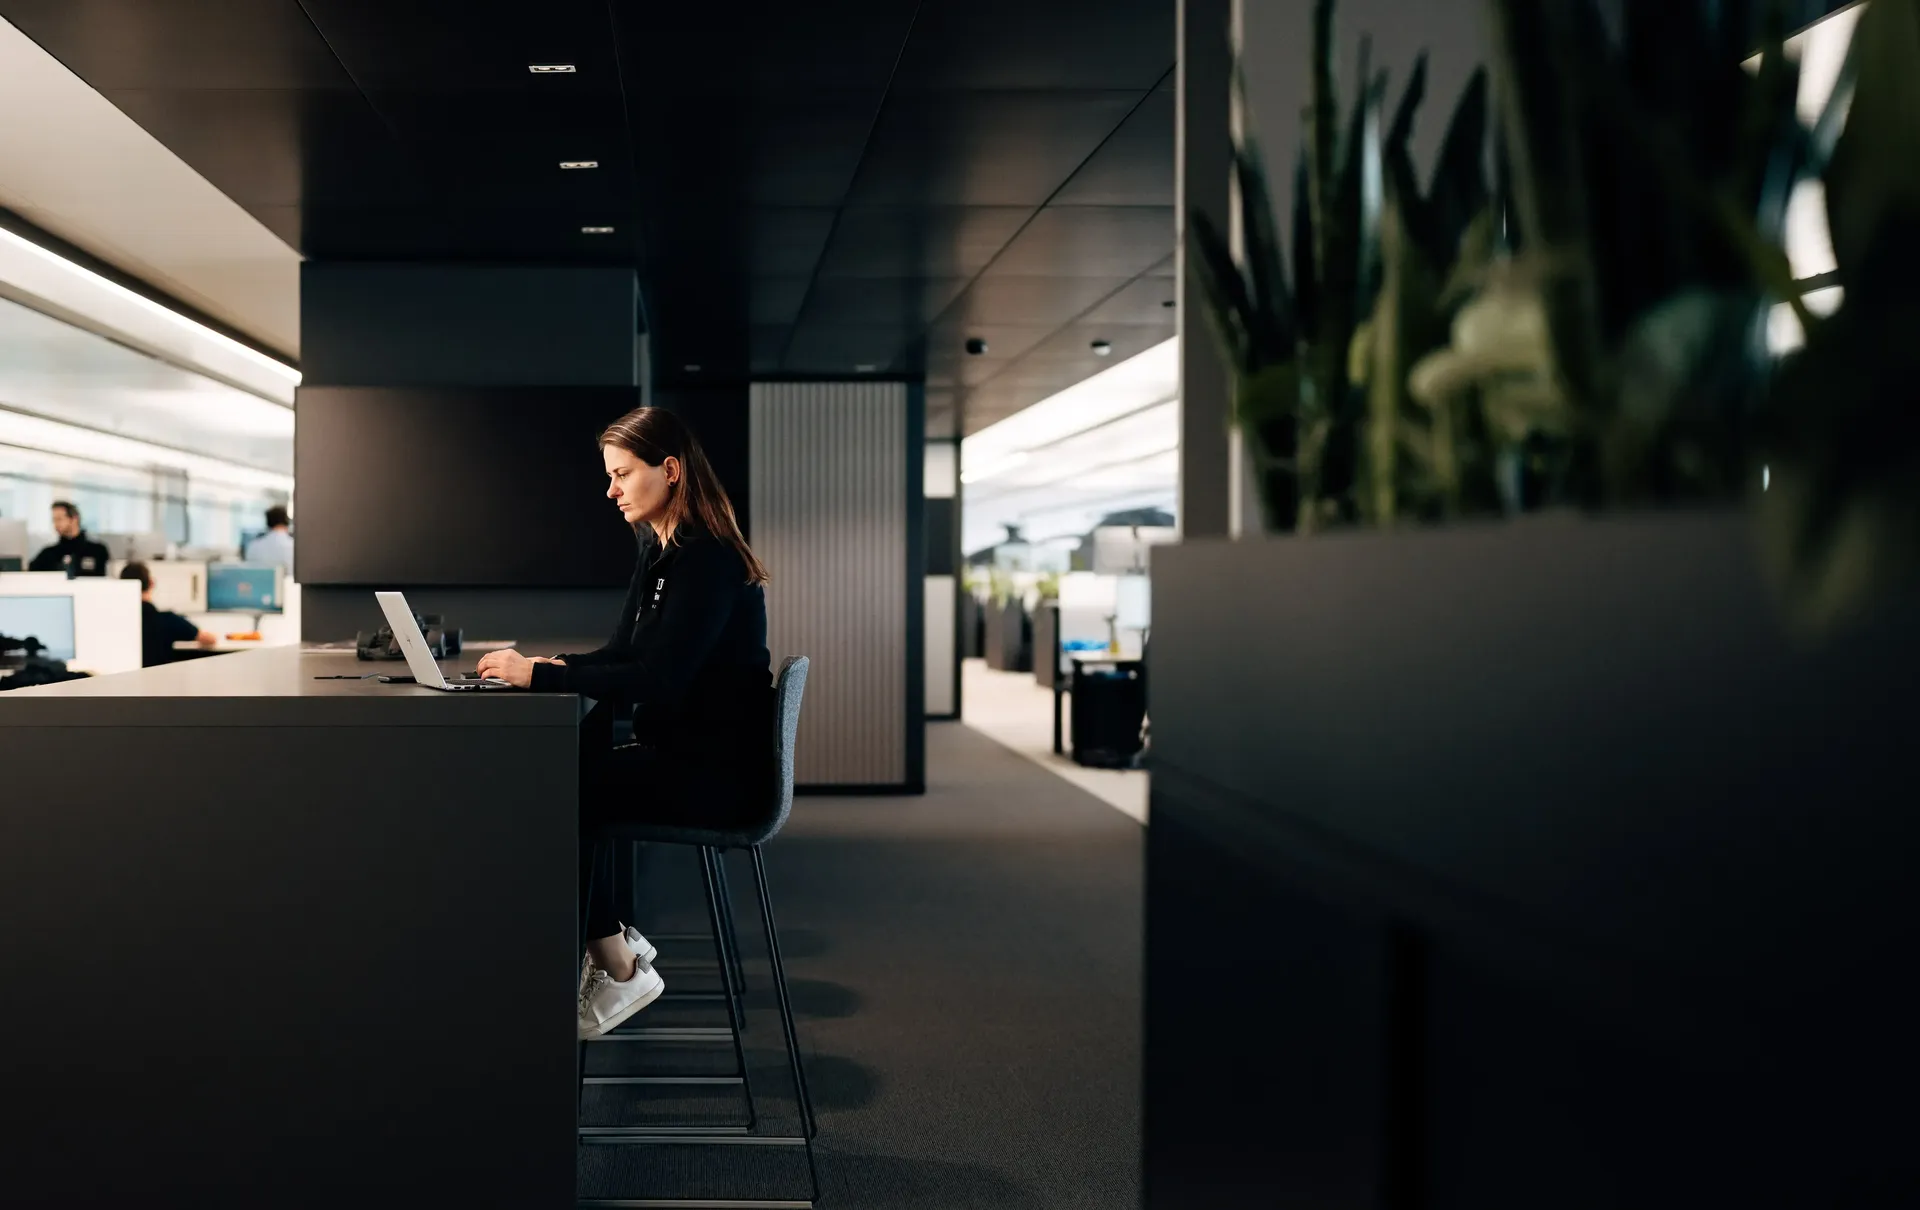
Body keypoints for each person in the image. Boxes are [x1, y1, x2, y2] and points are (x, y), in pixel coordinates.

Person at [476, 407, 774, 1041]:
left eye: (621, 474)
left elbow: (659, 676)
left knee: (561, 788)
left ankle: (616, 962)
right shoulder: (664, 552)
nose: (610, 489)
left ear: (669, 471)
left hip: (719, 776)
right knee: (574, 769)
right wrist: (552, 667)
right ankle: (610, 942)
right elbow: (626, 654)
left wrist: (547, 678)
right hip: (689, 754)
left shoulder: (706, 560)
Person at [122, 562, 217, 666]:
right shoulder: (168, 620)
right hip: (157, 680)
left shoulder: (118, 622)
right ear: (151, 583)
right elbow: (209, 639)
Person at [29, 501, 110, 576]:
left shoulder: (98, 551)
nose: (56, 524)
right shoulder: (48, 554)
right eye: (54, 520)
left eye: (59, 519)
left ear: (74, 519)